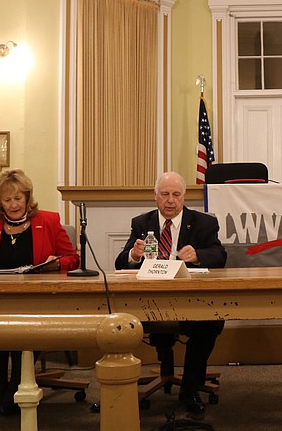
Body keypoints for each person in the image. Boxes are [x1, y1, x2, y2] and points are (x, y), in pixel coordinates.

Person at [0, 168, 79, 416]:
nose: (14, 204)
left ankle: (18, 382)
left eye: (18, 198)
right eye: (7, 199)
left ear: (28, 198)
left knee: (27, 328)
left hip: (34, 299)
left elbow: (72, 258)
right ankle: (0, 383)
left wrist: (54, 264)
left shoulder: (48, 221)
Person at [115, 171, 226, 419]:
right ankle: (119, 389)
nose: (170, 200)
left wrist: (198, 255)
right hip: (148, 303)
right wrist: (134, 254)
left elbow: (220, 256)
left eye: (176, 195)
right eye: (165, 194)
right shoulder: (141, 223)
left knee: (210, 321)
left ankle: (190, 388)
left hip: (190, 302)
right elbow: (120, 263)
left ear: (184, 197)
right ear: (155, 197)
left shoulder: (203, 223)